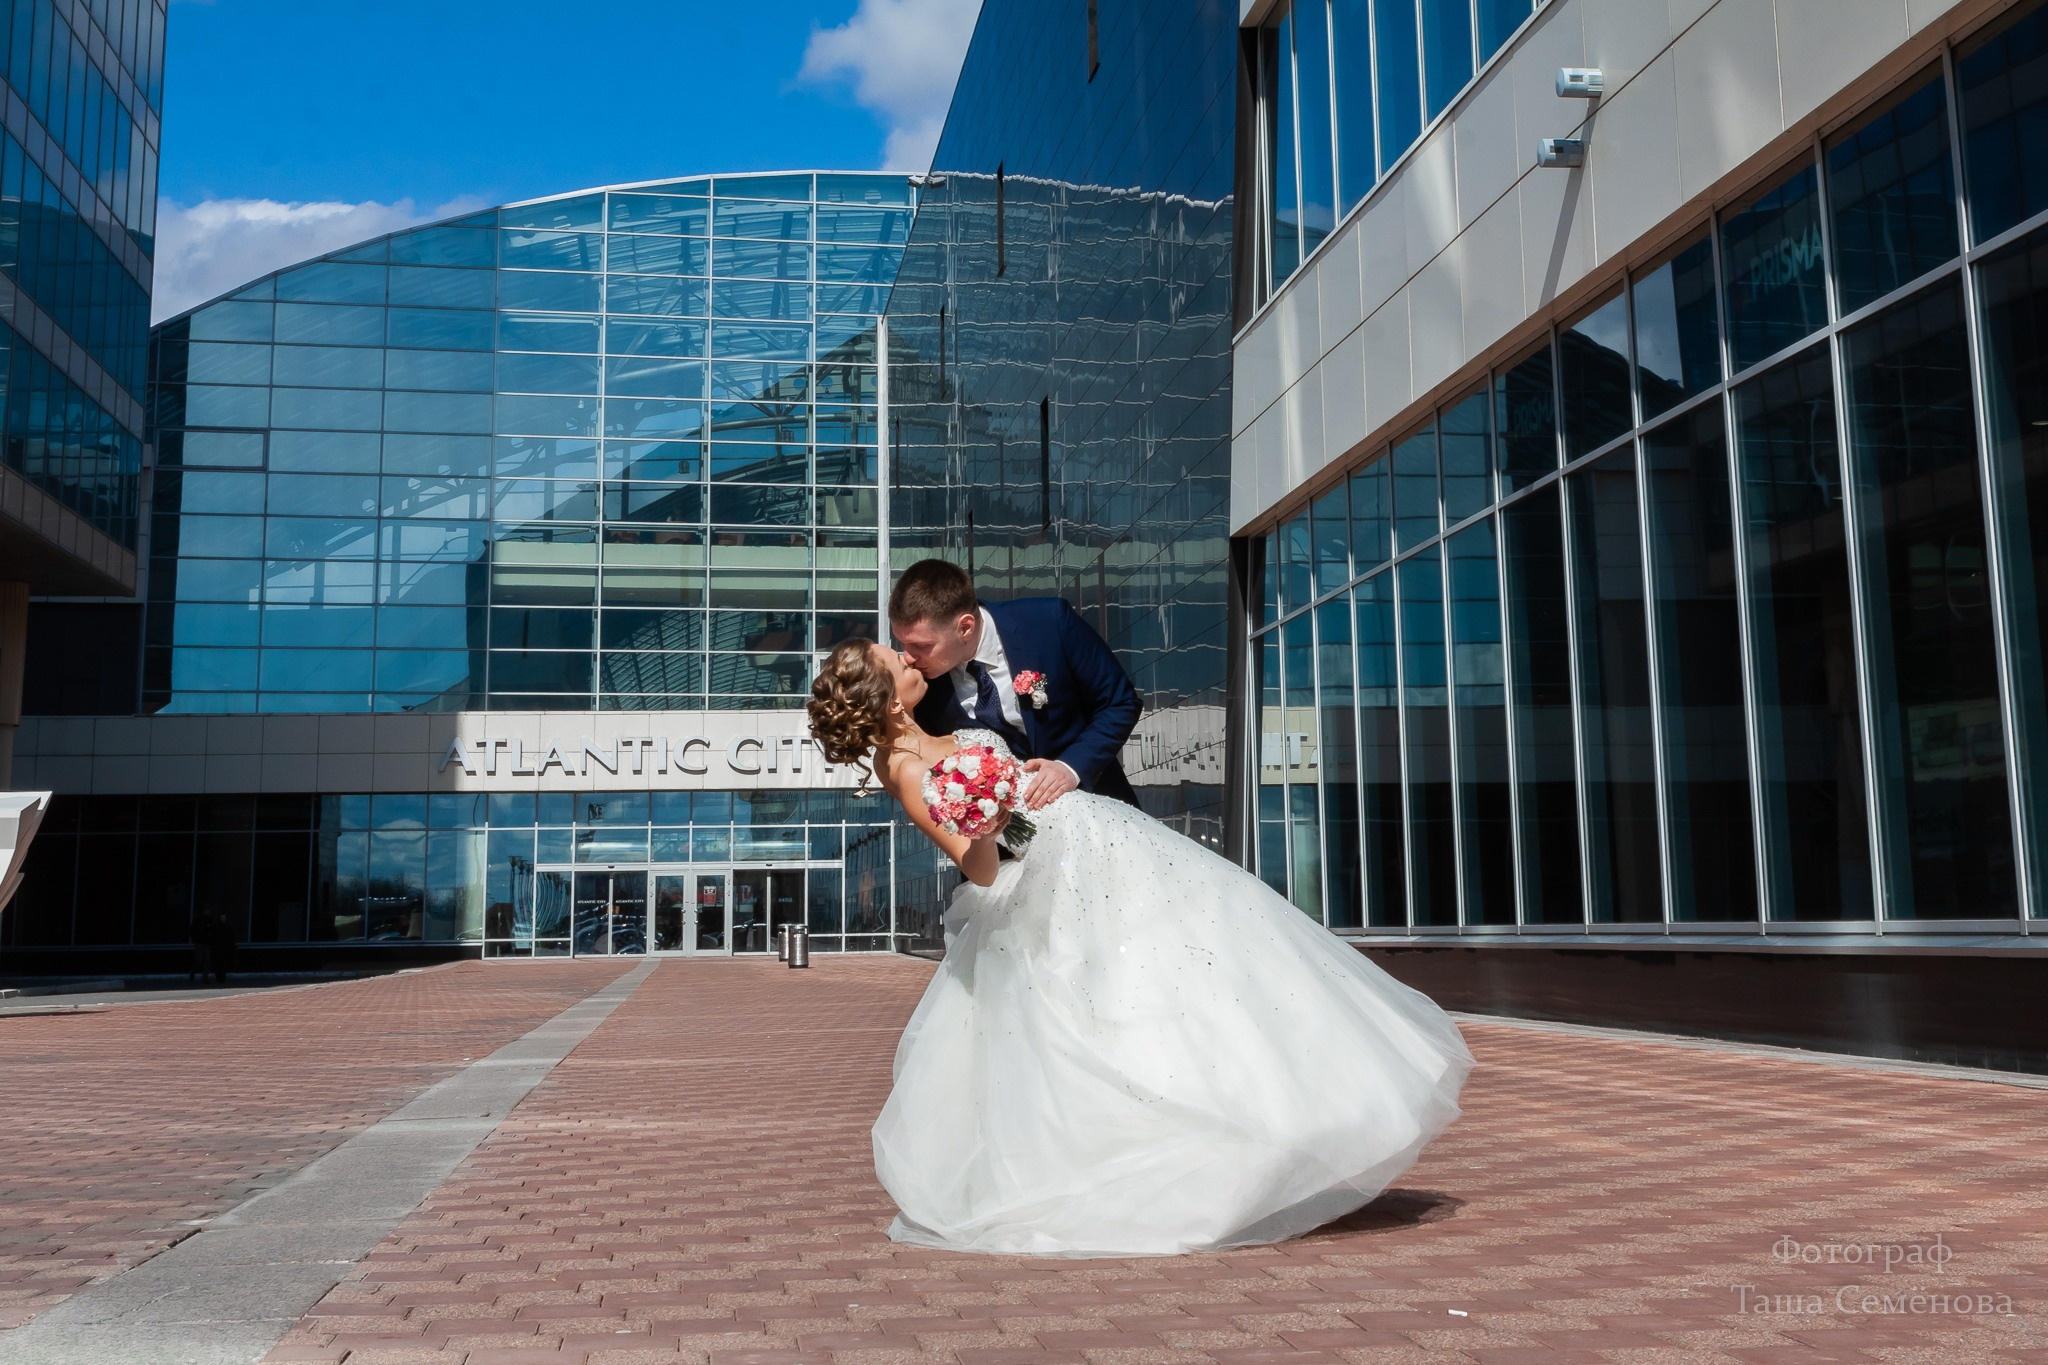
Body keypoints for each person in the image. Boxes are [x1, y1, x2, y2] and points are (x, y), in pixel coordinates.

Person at [807, 634, 1474, 1258]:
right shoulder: (902, 764)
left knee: (1196, 977)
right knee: (1118, 1016)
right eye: (890, 656)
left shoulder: (939, 738)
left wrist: (1024, 778)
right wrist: (989, 813)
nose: (903, 653)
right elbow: (981, 865)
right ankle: (1211, 1153)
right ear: (891, 698)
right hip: (1047, 887)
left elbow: (1004, 796)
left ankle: (1282, 1126)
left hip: (1097, 847)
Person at [889, 559, 1141, 811]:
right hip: (1007, 840)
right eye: (902, 644)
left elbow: (1120, 703)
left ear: (965, 627)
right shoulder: (921, 687)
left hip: (1101, 808)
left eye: (921, 646)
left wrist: (1070, 767)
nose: (908, 657)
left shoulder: (1049, 623)